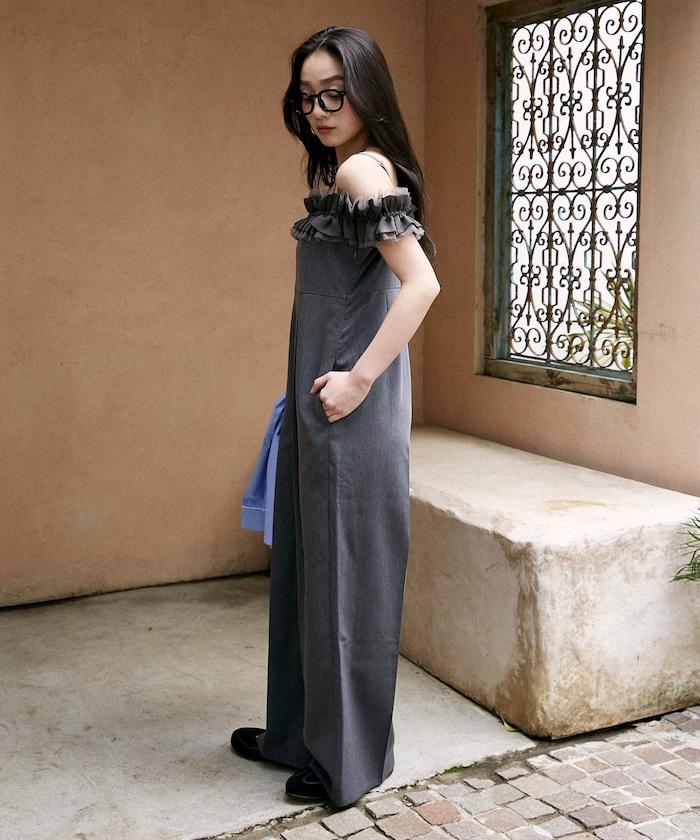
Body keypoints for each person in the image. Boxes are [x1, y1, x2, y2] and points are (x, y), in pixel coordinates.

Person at [231, 25, 440, 809]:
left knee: (344, 582)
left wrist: (357, 380)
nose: (319, 110)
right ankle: (297, 734)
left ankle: (343, 762)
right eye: (307, 97)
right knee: (308, 573)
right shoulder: (354, 167)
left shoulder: (360, 169)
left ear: (366, 94)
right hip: (324, 406)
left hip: (349, 410)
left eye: (334, 95)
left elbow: (422, 285)